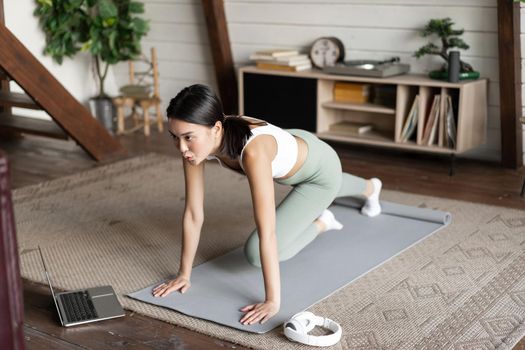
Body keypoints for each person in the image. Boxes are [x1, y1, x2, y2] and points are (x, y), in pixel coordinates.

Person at [152, 84, 382, 326]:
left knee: (255, 254)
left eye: (188, 137)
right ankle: (371, 187)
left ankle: (323, 222)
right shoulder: (199, 141)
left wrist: (272, 301)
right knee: (324, 177)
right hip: (297, 147)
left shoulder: (253, 154)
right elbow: (192, 214)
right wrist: (184, 274)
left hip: (317, 171)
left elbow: (267, 232)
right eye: (175, 137)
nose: (181, 147)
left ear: (216, 128)